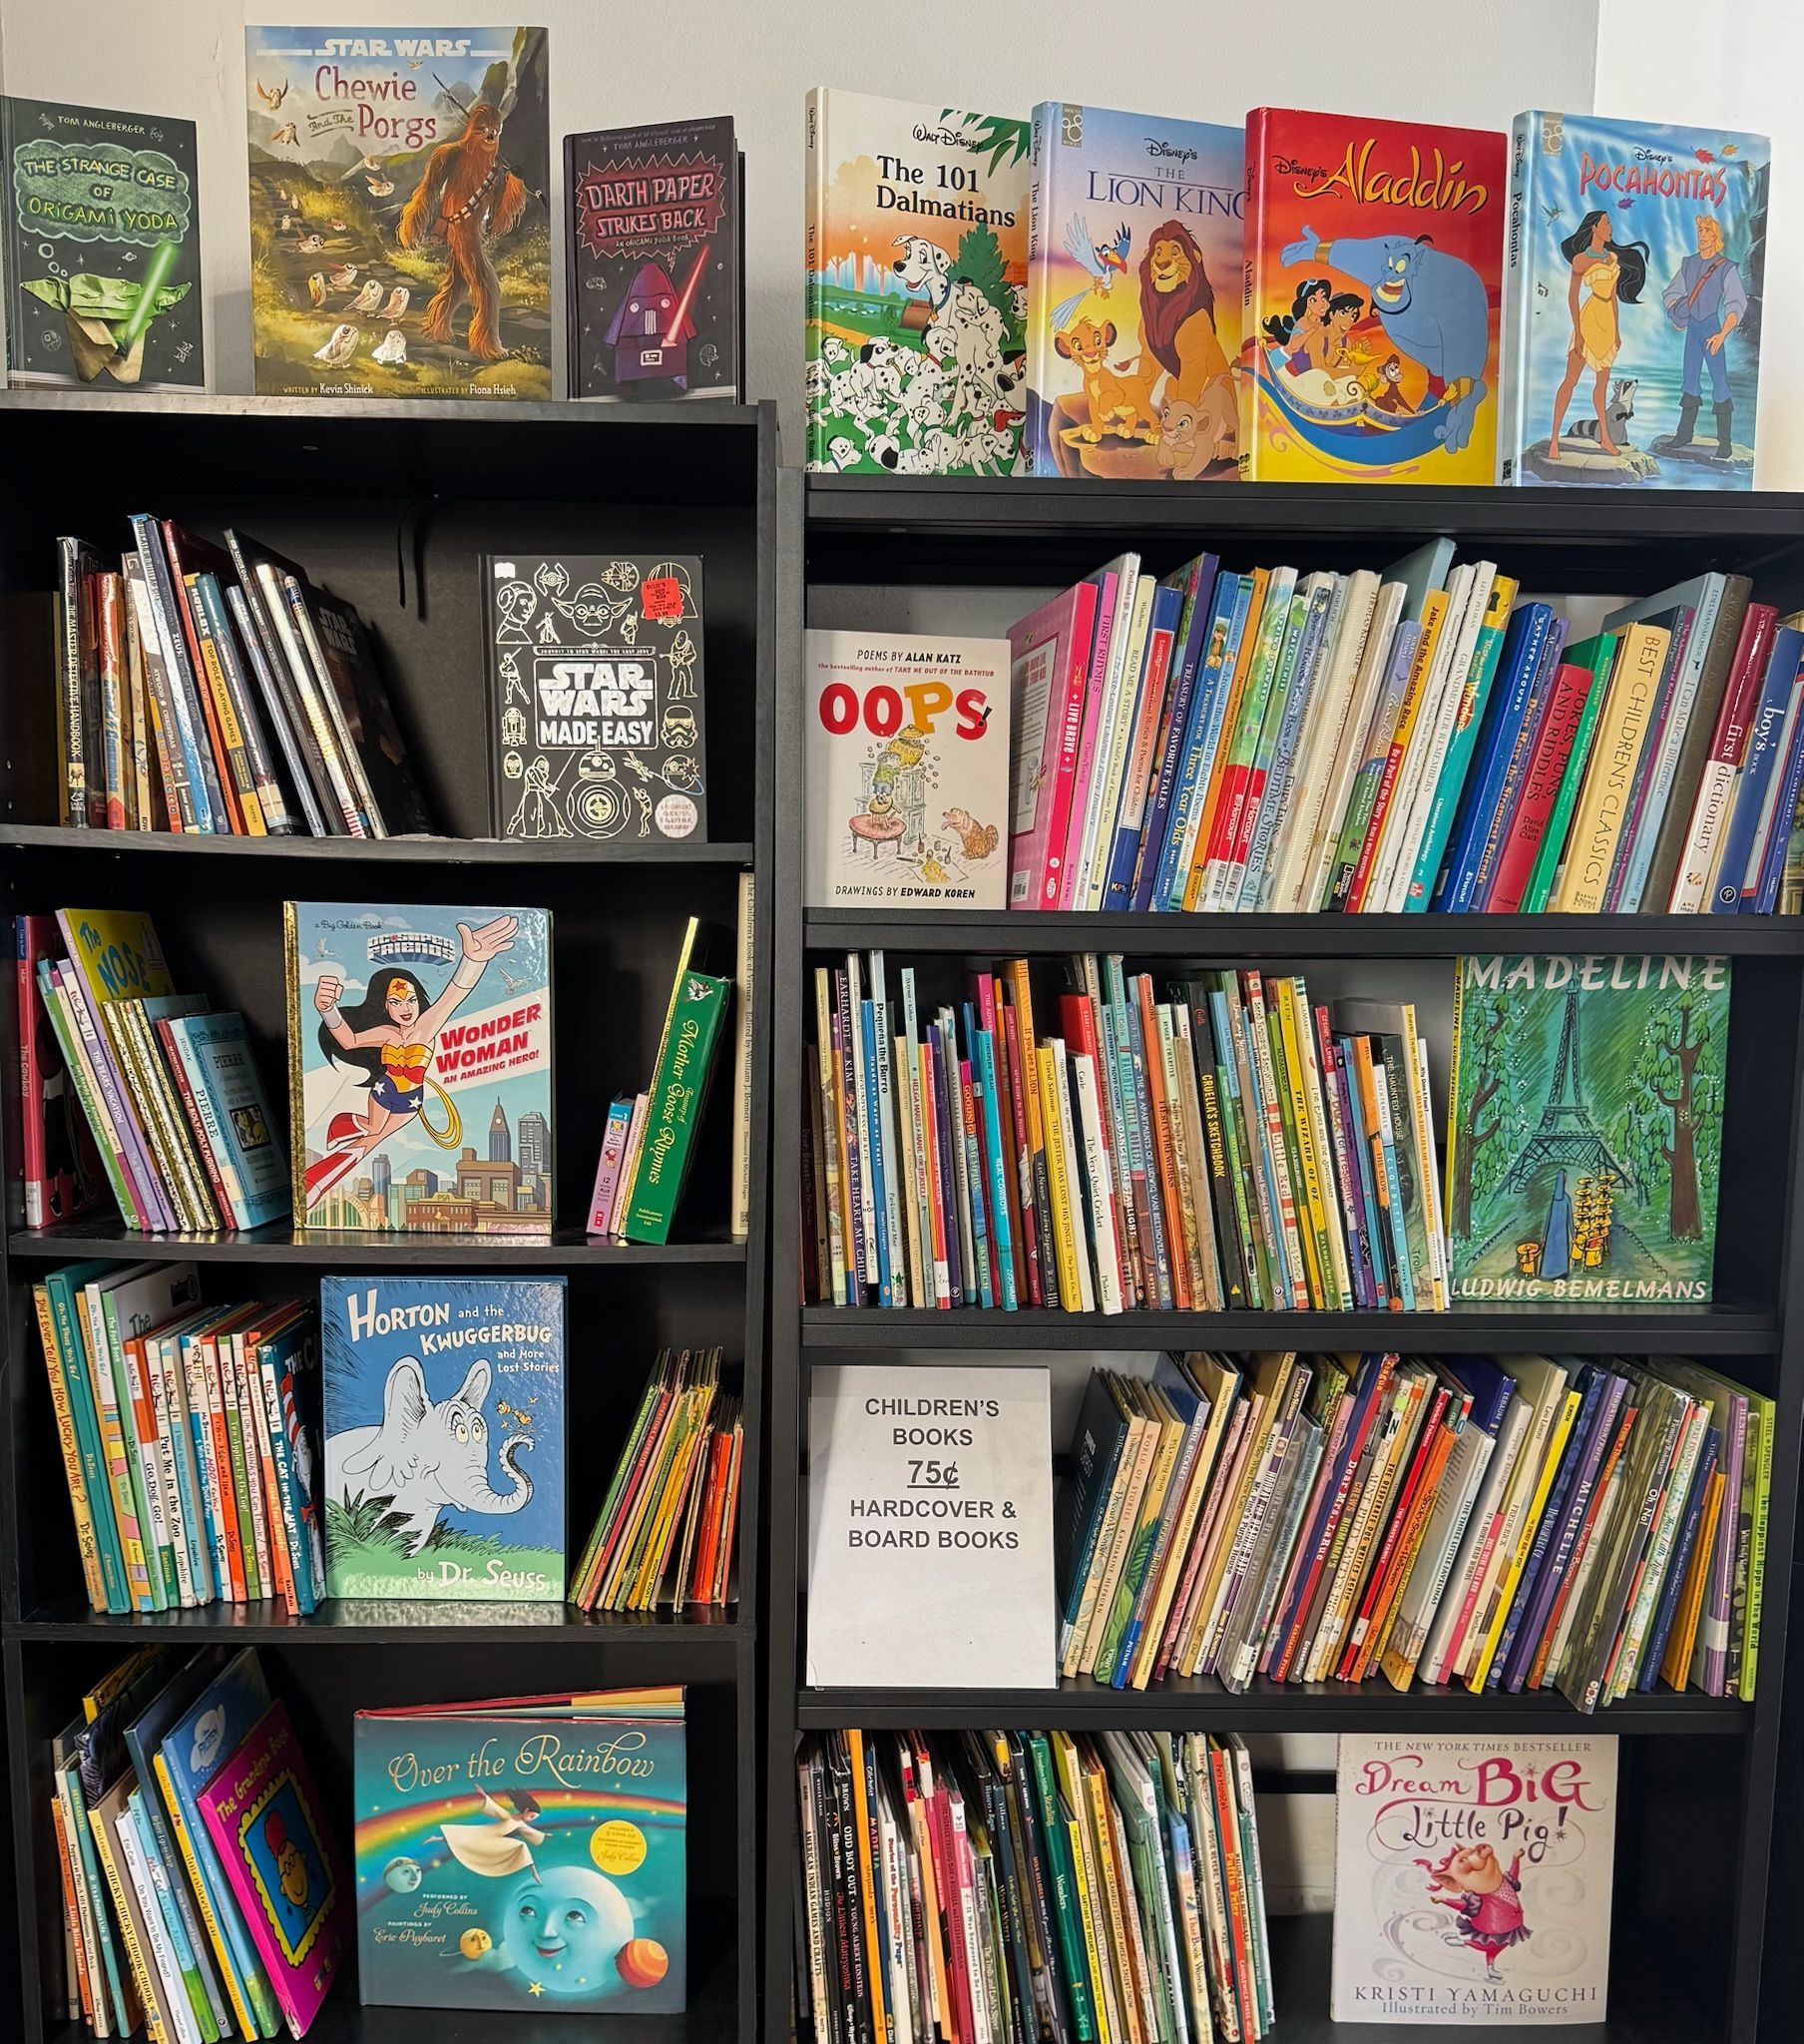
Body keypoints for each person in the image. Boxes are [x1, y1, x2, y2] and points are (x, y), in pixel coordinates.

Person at [1547, 211, 1648, 460]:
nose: (1610, 227)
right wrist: (1578, 334)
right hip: (1588, 319)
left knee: (1602, 385)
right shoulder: (1580, 260)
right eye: (1606, 222)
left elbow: (1613, 297)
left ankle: (1605, 436)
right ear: (1594, 227)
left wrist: (1617, 331)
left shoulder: (1613, 258)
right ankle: (1553, 441)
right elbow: (1572, 297)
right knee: (1570, 380)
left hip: (1606, 321)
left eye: (1610, 222)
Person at [1657, 214, 1747, 460]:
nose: (1702, 236)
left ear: (1715, 236)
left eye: (1706, 231)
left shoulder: (1726, 267)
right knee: (1689, 381)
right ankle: (1684, 434)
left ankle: (1725, 442)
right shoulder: (1688, 264)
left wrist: (1722, 334)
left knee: (1720, 382)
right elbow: (1671, 293)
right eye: (1700, 231)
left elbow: (1736, 303)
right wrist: (1678, 317)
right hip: (1694, 330)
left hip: (1712, 328)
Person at [1262, 277, 1331, 372]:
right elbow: (1294, 344)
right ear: (1305, 304)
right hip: (1281, 358)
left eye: (1323, 298)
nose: (1322, 303)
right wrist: (1312, 330)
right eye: (1313, 300)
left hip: (1294, 365)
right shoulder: (1303, 321)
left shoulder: (1317, 321)